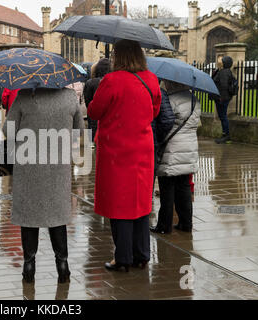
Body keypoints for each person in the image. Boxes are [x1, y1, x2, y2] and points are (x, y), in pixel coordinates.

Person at [88, 40, 162, 272]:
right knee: (141, 203)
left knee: (119, 204)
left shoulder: (112, 80)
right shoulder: (150, 79)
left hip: (116, 151)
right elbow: (155, 110)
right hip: (143, 148)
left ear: (118, 57)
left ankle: (122, 258)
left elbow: (94, 111)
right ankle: (142, 255)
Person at [2, 87, 85, 283]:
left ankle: (29, 266)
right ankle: (62, 266)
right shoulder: (69, 96)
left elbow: (8, 130)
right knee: (57, 214)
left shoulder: (25, 96)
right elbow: (79, 130)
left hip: (29, 164)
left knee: (29, 215)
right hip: (58, 165)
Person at [151, 81, 201, 234]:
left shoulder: (169, 100)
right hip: (189, 147)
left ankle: (164, 226)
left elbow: (165, 123)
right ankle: (186, 223)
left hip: (171, 148)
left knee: (167, 188)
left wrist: (158, 139)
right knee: (184, 186)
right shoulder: (194, 100)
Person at [83, 58, 112, 144]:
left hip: (93, 119)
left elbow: (87, 102)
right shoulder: (112, 82)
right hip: (108, 120)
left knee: (92, 145)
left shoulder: (90, 82)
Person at [213, 56, 234, 144]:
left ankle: (226, 136)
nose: (219, 62)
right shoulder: (223, 71)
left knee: (223, 116)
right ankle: (225, 135)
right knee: (222, 116)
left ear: (225, 63)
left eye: (221, 61)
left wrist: (221, 98)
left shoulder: (224, 72)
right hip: (222, 97)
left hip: (222, 98)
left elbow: (224, 86)